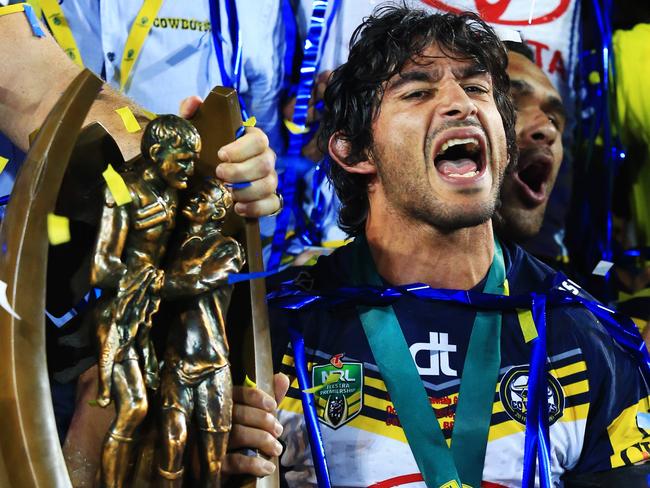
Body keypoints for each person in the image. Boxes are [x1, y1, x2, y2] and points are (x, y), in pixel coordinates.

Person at [227, 6, 650, 486]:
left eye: (476, 89)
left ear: (504, 143)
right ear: (353, 150)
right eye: (418, 91)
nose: (462, 104)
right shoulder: (270, 328)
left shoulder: (587, 339)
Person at [157, 179, 245, 487]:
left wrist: (159, 282)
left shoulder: (227, 247)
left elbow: (199, 282)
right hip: (176, 361)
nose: (193, 202)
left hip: (212, 362)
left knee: (212, 462)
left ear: (219, 210)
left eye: (202, 199)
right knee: (170, 447)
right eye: (193, 197)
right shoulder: (175, 246)